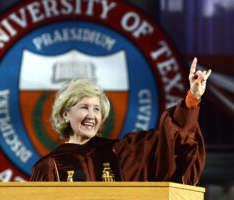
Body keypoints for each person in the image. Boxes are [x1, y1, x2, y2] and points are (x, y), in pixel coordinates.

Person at [30, 58, 211, 185]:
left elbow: (168, 146)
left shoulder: (121, 153)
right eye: (84, 107)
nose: (91, 115)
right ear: (65, 114)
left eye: (97, 109)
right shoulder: (48, 167)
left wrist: (192, 99)